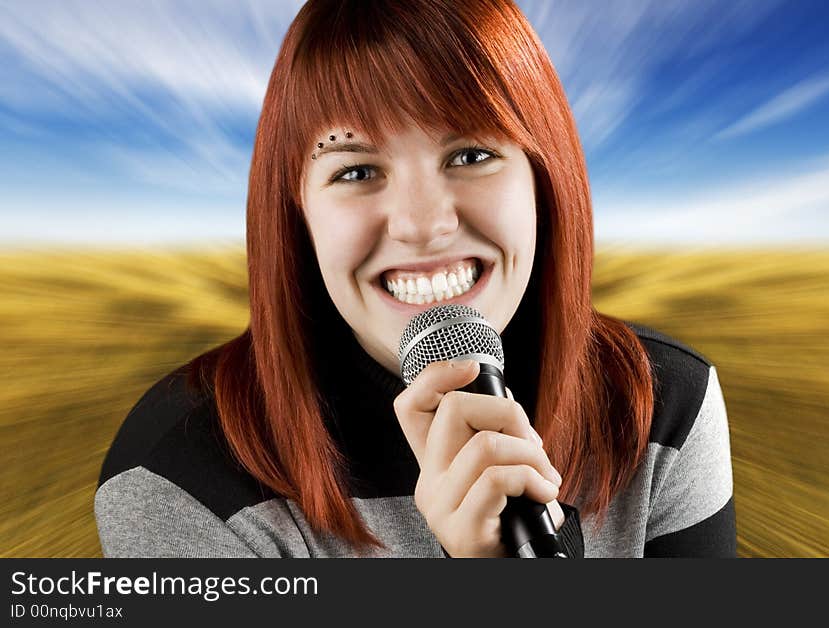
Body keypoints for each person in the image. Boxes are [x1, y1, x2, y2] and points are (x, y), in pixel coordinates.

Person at [95, 0, 736, 558]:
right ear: (295, 215)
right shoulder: (178, 473)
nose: (423, 224)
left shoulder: (662, 404)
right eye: (355, 171)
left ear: (546, 182)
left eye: (472, 154)